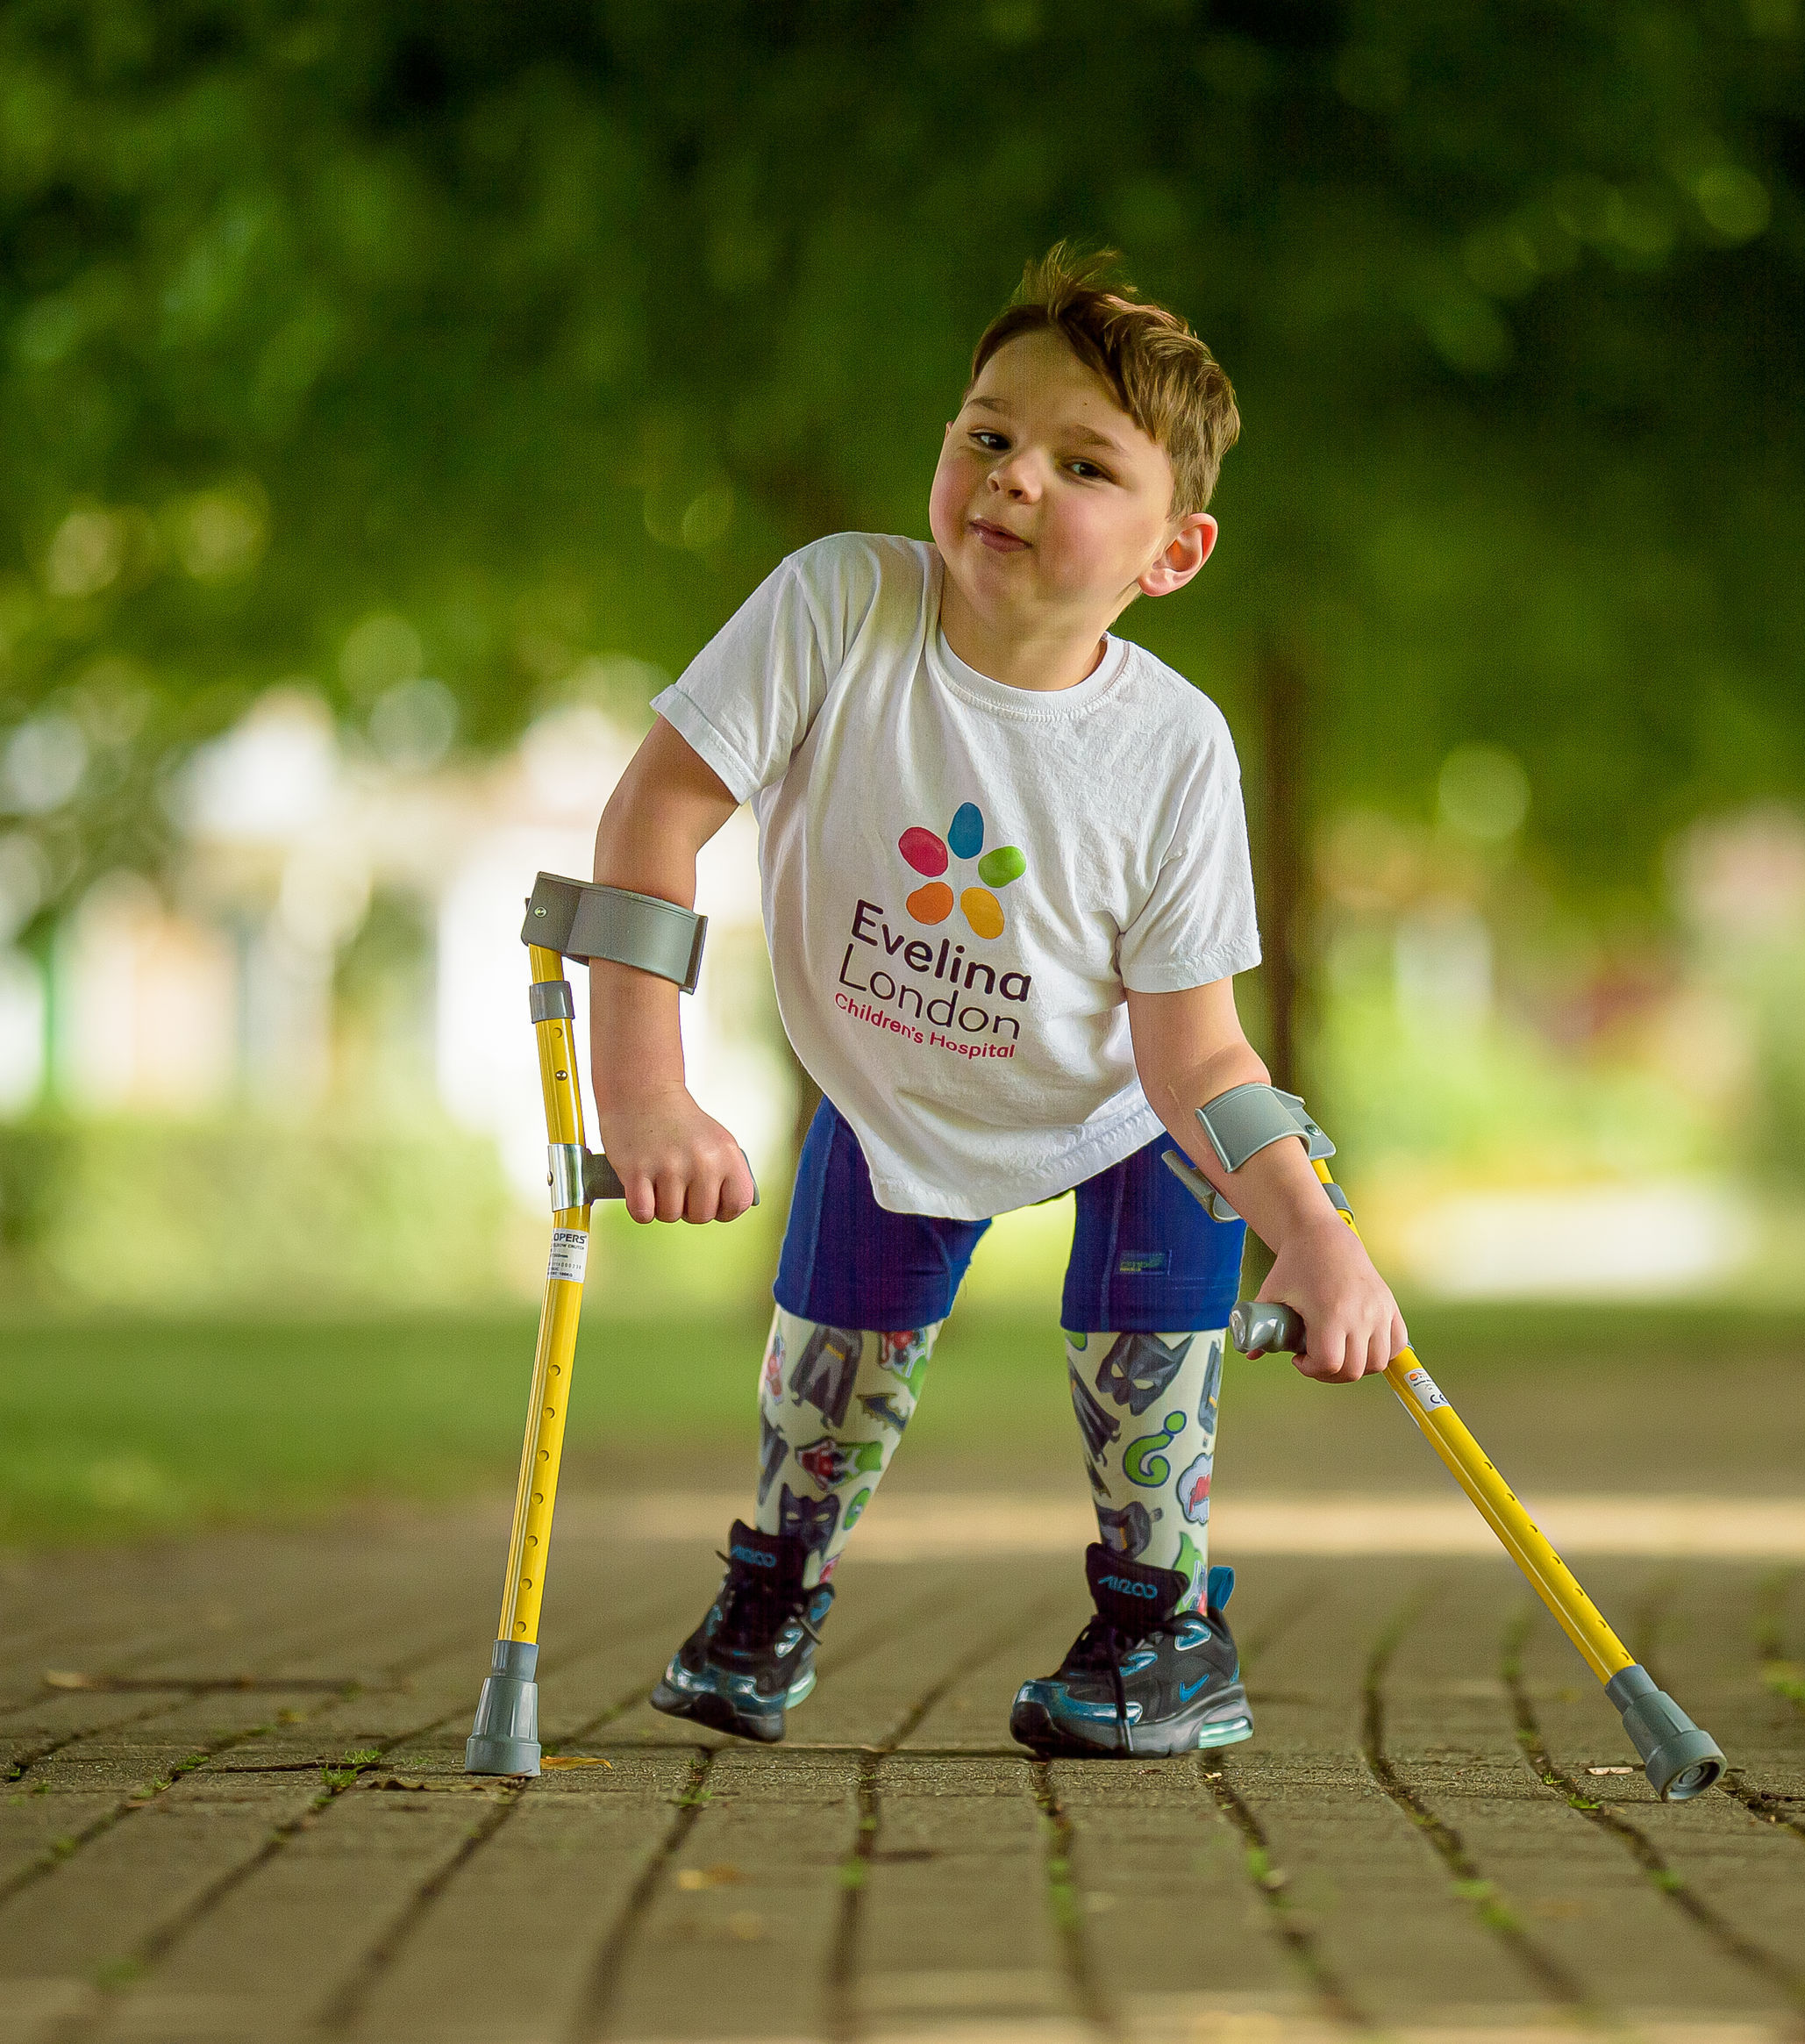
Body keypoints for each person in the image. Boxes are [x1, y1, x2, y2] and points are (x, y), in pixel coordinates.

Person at [586, 245, 1408, 1757]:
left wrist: (1317, 1232)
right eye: (988, 433)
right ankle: (771, 1592)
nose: (1015, 475)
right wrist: (644, 1088)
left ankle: (1163, 1630)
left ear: (1175, 552)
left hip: (1116, 1101)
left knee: (1152, 1329)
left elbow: (1198, 1051)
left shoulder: (1172, 751)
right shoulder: (841, 605)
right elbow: (654, 815)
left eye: (1084, 463)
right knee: (838, 1361)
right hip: (895, 1080)